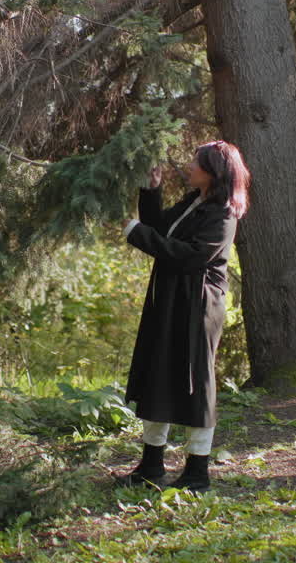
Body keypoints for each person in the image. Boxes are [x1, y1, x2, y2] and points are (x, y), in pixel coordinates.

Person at [115, 140, 250, 492]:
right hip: (170, 300)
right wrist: (152, 190)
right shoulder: (194, 202)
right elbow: (160, 228)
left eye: (196, 162)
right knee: (158, 373)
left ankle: (197, 472)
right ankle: (151, 465)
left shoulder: (223, 213)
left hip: (198, 308)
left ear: (214, 171)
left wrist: (136, 233)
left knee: (197, 382)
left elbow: (190, 255)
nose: (190, 167)